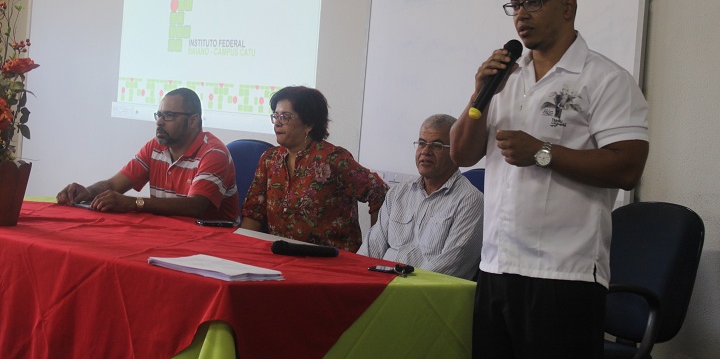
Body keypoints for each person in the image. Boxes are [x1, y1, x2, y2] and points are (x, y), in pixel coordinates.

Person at [450, 0, 649, 358]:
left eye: (534, 1)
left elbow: (628, 166)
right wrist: (479, 92)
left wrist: (541, 152)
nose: (521, 15)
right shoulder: (504, 78)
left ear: (568, 6)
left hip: (564, 275)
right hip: (496, 267)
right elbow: (461, 153)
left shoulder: (605, 79)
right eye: (515, 4)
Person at [240, 86, 388, 252]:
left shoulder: (333, 158)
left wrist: (374, 249)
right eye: (276, 116)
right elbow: (254, 212)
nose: (277, 123)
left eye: (285, 117)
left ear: (309, 123)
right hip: (282, 254)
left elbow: (379, 191)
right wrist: (242, 251)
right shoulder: (269, 159)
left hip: (330, 258)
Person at [57, 87, 238, 220]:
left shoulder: (214, 153)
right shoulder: (155, 147)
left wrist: (133, 203)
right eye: (158, 115)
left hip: (212, 242)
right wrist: (87, 192)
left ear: (193, 121)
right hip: (167, 233)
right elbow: (113, 184)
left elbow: (196, 206)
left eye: (168, 115)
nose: (159, 122)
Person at [358, 114, 483, 280]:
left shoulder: (470, 201)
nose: (425, 151)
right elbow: (369, 251)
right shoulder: (397, 194)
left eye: (437, 146)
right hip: (381, 285)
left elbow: (450, 266)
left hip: (425, 291)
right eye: (422, 143)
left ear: (456, 151)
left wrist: (397, 285)